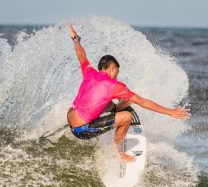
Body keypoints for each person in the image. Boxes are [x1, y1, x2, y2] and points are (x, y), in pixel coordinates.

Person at [66, 23, 190, 162]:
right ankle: (118, 152)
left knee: (107, 103)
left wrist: (75, 38)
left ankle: (117, 109)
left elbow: (81, 54)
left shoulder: (89, 71)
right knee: (126, 116)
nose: (117, 76)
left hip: (70, 117)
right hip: (81, 130)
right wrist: (170, 111)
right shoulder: (114, 86)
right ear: (112, 68)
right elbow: (143, 102)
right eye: (117, 72)